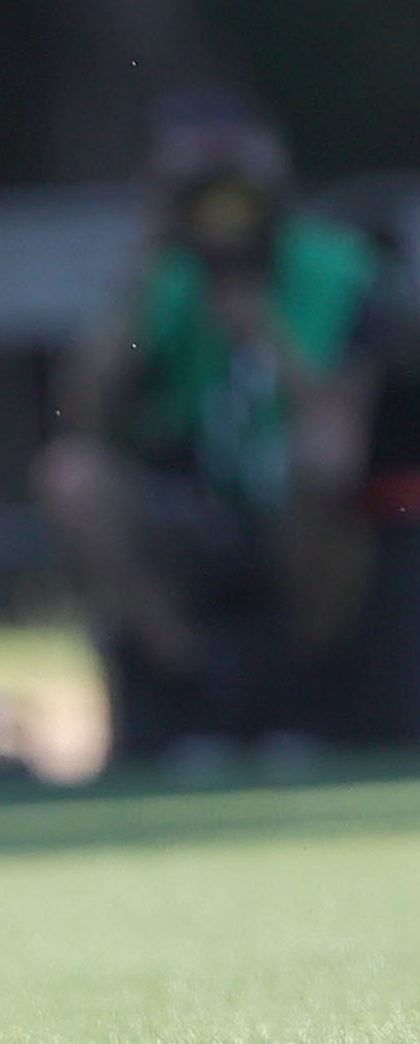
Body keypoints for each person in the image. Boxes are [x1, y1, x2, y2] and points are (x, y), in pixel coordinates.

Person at [35, 92, 386, 763]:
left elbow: (343, 425)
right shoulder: (163, 279)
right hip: (188, 499)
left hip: (302, 514)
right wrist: (146, 267)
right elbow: (82, 412)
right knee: (71, 477)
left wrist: (263, 332)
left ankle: (297, 694)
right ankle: (196, 688)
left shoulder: (337, 268)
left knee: (324, 459)